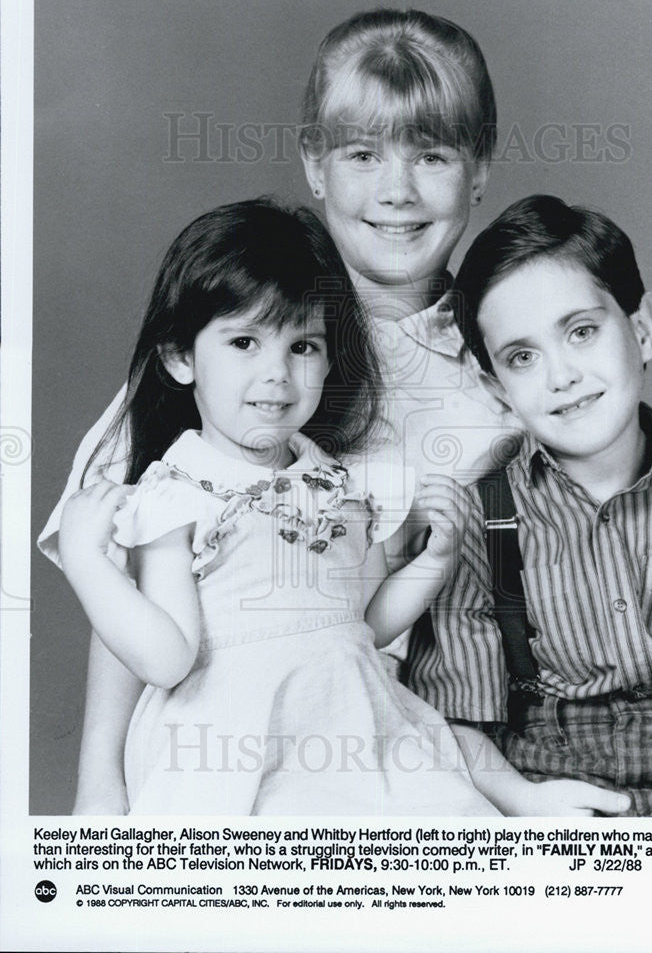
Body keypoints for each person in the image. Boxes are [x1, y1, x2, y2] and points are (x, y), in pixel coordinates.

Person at [40, 10, 626, 816]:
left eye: (433, 155)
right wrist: (98, 791)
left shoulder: (510, 362)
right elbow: (135, 562)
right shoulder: (241, 340)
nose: (398, 191)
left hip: (422, 746)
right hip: (238, 747)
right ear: (315, 164)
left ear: (480, 168)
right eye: (361, 154)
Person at [55, 197, 502, 816]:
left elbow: (365, 623)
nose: (278, 375)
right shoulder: (176, 494)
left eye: (303, 347)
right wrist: (87, 561)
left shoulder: (336, 482)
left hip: (354, 726)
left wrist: (437, 558)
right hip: (233, 747)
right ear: (180, 358)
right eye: (244, 342)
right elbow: (167, 657)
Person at [405, 194, 652, 817]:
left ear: (643, 329)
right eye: (522, 357)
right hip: (545, 795)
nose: (561, 376)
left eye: (582, 332)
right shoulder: (479, 522)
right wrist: (524, 803)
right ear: (493, 385)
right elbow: (455, 718)